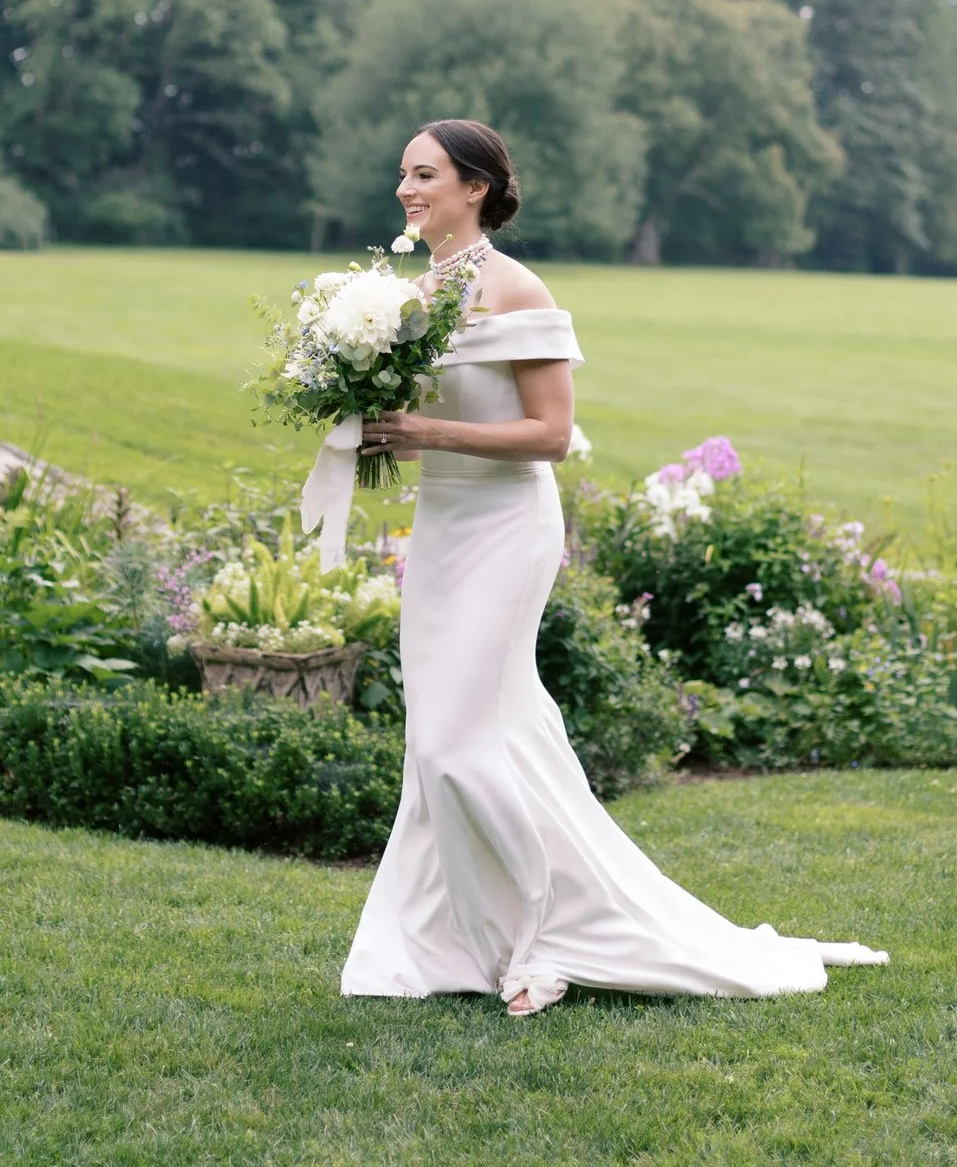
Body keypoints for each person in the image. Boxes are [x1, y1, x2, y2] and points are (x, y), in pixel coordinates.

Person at [339, 119, 887, 1017]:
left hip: (506, 531)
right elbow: (415, 408)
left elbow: (549, 435)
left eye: (425, 173)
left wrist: (426, 430)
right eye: (402, 172)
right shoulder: (420, 289)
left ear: (475, 187)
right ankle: (450, 933)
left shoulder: (516, 290)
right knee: (462, 735)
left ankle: (542, 943)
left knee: (452, 743)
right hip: (441, 527)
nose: (407, 188)